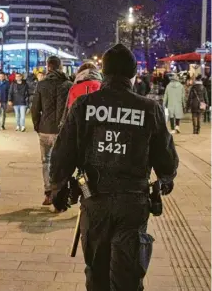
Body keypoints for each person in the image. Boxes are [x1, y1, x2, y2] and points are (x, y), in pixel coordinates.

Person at [50, 43, 179, 291]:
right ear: (132, 74)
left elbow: (63, 152)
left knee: (97, 273)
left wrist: (58, 187)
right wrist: (166, 178)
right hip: (133, 202)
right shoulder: (149, 108)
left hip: (94, 199)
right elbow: (167, 159)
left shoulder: (84, 105)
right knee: (128, 276)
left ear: (105, 72)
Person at [31, 56, 72, 205]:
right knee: (62, 163)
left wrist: (37, 125)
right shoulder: (68, 85)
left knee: (46, 162)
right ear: (61, 67)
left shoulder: (41, 85)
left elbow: (35, 108)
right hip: (61, 131)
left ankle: (48, 193)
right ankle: (60, 193)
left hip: (45, 130)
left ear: (48, 67)